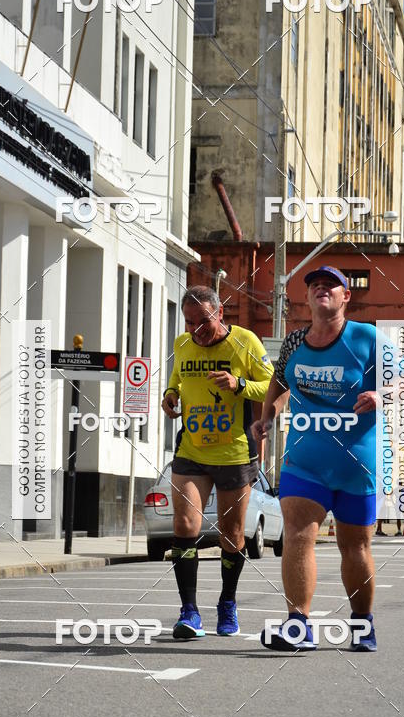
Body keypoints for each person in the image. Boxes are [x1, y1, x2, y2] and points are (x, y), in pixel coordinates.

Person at [252, 265, 379, 652]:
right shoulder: (293, 343)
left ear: (346, 297)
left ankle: (362, 624)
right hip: (304, 461)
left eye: (331, 285)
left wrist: (381, 396)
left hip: (356, 463)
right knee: (297, 534)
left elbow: (402, 384)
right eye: (314, 286)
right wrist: (266, 417)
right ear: (306, 299)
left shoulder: (368, 338)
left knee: (354, 547)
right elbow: (279, 380)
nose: (322, 289)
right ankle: (298, 625)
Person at [161, 285, 273, 639]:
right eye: (189, 322)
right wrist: (170, 395)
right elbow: (177, 379)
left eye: (203, 321)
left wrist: (239, 383)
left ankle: (227, 602)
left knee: (232, 534)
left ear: (220, 313)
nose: (196, 330)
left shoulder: (245, 342)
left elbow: (273, 385)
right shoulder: (182, 345)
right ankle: (189, 612)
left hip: (234, 453)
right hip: (192, 450)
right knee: (184, 525)